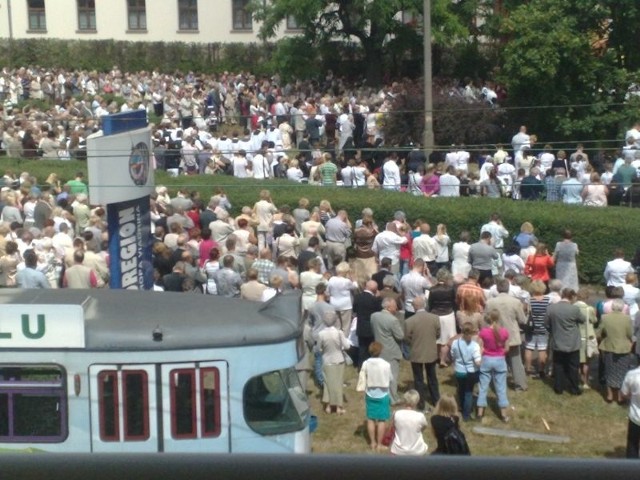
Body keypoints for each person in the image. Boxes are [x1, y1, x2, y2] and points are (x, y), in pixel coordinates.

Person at [485, 278, 528, 391]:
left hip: (496, 335)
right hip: (511, 335)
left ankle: (498, 384)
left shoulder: (490, 302)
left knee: (497, 360)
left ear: (498, 289)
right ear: (508, 288)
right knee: (516, 362)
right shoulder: (516, 302)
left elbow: (486, 318)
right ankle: (520, 385)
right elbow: (522, 320)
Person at [404, 296, 441, 410]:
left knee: (418, 379)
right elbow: (438, 334)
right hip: (431, 352)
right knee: (432, 377)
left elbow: (406, 338)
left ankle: (420, 404)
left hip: (416, 352)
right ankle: (436, 400)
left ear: (414, 307)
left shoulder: (409, 321)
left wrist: (414, 343)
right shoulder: (435, 318)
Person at [545, 288, 584, 395]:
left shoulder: (551, 308)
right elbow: (583, 319)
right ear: (571, 297)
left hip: (558, 340)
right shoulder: (574, 309)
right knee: (573, 366)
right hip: (572, 342)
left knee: (558, 365)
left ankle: (558, 387)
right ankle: (574, 388)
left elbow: (546, 324)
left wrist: (553, 330)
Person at [357, 341, 392, 452]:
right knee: (382, 419)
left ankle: (372, 443)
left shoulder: (366, 363)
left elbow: (362, 377)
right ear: (380, 351)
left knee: (371, 418)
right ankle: (379, 444)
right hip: (383, 393)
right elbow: (390, 378)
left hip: (370, 393)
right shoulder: (386, 364)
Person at [476, 310, 511, 422]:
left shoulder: (483, 332)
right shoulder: (504, 332)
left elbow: (479, 347)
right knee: (501, 387)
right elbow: (507, 348)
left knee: (483, 387)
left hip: (486, 359)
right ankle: (504, 415)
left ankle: (480, 413)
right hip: (500, 360)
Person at [599, 299, 633, 404]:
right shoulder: (627, 319)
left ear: (612, 307)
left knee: (609, 371)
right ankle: (619, 397)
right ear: (622, 307)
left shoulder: (604, 317)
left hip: (609, 347)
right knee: (622, 372)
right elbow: (630, 334)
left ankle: (609, 395)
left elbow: (600, 332)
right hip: (624, 348)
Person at [371, 297, 404, 404]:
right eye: (395, 306)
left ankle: (383, 394)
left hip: (379, 350)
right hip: (391, 351)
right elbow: (400, 336)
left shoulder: (374, 316)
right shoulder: (393, 320)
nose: (397, 308)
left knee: (382, 375)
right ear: (389, 308)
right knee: (392, 376)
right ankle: (393, 399)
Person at [318, 311, 351, 415]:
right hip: (338, 360)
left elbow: (318, 349)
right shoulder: (339, 332)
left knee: (327, 383)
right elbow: (347, 346)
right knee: (338, 383)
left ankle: (328, 406)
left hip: (327, 360)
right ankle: (338, 407)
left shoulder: (321, 334)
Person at [450, 322, 481, 421]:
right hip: (471, 372)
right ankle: (466, 415)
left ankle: (461, 407)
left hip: (459, 370)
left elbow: (453, 355)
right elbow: (477, 362)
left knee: (461, 390)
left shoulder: (455, 343)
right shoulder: (475, 346)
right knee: (469, 392)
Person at [428, 268, 457, 367]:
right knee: (447, 340)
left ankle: (437, 357)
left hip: (436, 315)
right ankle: (443, 360)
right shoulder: (450, 289)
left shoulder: (432, 289)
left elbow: (430, 304)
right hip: (448, 315)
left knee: (438, 339)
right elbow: (454, 302)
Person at [523, 280, 550, 378]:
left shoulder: (529, 299)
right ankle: (541, 370)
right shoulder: (548, 299)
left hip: (531, 327)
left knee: (529, 348)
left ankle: (528, 369)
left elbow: (524, 309)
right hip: (543, 327)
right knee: (542, 349)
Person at [389, 390, 428, 456]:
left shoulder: (396, 414)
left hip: (398, 450)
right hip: (417, 450)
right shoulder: (420, 416)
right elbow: (424, 427)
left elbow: (392, 427)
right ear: (417, 401)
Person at [621, 362, 640, 458]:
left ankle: (631, 470)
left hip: (635, 417)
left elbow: (624, 393)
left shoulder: (631, 375)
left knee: (633, 443)